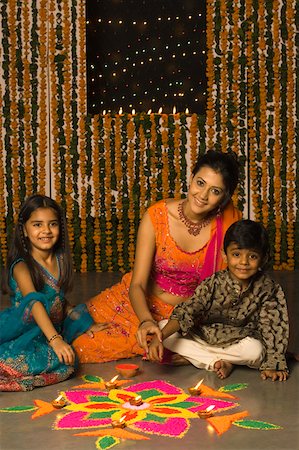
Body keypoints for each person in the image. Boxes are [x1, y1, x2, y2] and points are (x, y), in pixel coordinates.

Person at [73, 149, 242, 363]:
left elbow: (226, 290)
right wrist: (145, 321)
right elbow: (138, 285)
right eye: (200, 183)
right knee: (75, 335)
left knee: (86, 347)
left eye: (215, 191)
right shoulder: (158, 216)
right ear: (191, 178)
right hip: (137, 304)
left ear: (224, 198)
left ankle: (187, 351)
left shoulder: (228, 226)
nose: (203, 195)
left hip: (185, 316)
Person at [147, 220, 289, 382]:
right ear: (224, 255)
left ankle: (199, 359)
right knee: (163, 328)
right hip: (204, 336)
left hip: (240, 341)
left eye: (252, 256)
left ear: (263, 259)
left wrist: (274, 363)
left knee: (255, 351)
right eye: (236, 254)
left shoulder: (268, 288)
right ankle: (218, 361)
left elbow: (274, 326)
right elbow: (188, 311)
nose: (244, 262)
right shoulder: (214, 283)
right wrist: (159, 338)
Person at [0, 194, 104, 391]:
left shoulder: (60, 260)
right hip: (24, 332)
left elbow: (59, 301)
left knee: (67, 362)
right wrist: (56, 341)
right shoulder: (22, 266)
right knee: (42, 361)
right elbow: (34, 302)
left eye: (52, 224)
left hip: (48, 330)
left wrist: (83, 322)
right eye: (37, 225)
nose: (46, 231)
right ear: (24, 229)